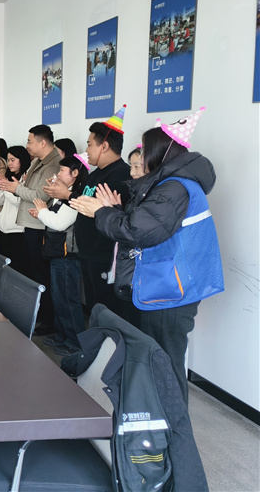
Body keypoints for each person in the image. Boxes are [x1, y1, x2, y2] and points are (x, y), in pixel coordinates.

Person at [71, 110, 220, 404]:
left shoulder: (174, 188)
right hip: (164, 284)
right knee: (157, 358)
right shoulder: (170, 184)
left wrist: (101, 212)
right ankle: (159, 416)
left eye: (145, 151)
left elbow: (139, 231)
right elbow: (148, 225)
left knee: (165, 362)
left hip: (172, 290)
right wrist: (114, 211)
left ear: (160, 152)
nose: (139, 159)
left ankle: (173, 424)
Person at [44, 106, 131, 317]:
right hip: (88, 254)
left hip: (104, 256)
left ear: (105, 146)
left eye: (90, 144)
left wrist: (67, 194)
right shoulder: (96, 174)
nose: (87, 149)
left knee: (106, 311)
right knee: (94, 307)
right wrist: (63, 193)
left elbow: (97, 207)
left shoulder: (119, 175)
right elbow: (82, 199)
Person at [0, 124, 61, 336]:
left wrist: (17, 188)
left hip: (40, 226)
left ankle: (47, 319)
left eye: (29, 141)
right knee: (33, 272)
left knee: (41, 274)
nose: (27, 145)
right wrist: (18, 187)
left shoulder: (52, 165)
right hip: (30, 224)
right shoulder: (38, 162)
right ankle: (38, 314)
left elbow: (40, 196)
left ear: (42, 143)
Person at [29, 154, 89, 356]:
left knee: (67, 299)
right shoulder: (64, 197)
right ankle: (62, 335)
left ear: (75, 173)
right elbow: (53, 216)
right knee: (59, 297)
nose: (58, 173)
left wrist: (42, 211)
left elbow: (58, 223)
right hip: (57, 254)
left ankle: (75, 342)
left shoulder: (75, 197)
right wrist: (43, 212)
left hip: (67, 257)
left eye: (62, 170)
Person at [0, 145, 30, 274]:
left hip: (17, 231)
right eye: (8, 160)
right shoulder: (9, 177)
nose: (9, 163)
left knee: (16, 268)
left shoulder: (27, 178)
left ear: (22, 160)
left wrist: (8, 189)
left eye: (13, 160)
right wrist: (1, 187)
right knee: (4, 267)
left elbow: (20, 202)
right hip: (3, 229)